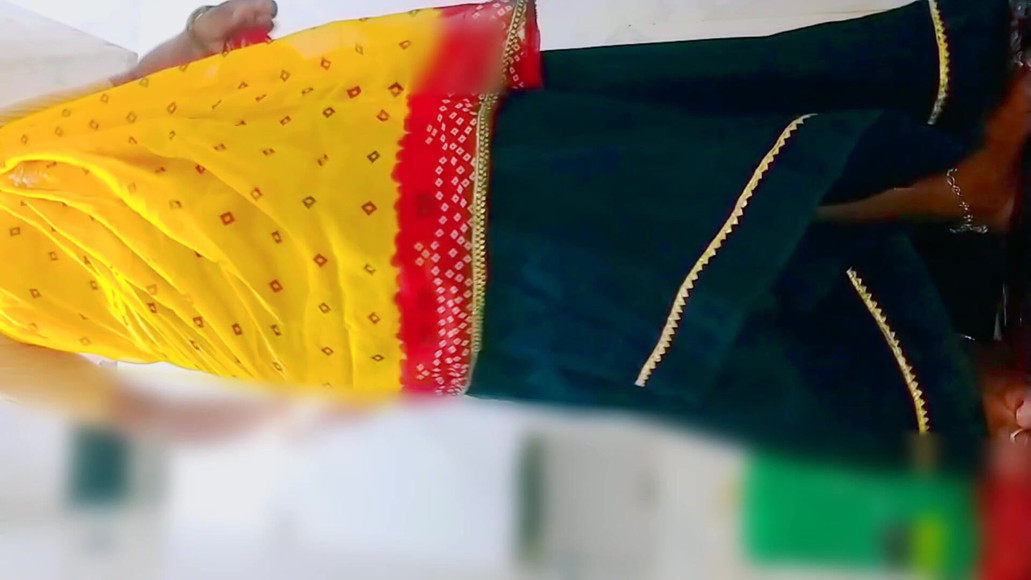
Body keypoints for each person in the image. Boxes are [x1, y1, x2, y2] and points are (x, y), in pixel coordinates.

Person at [0, 0, 1027, 463]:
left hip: (338, 138)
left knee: (640, 163)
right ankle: (949, 219)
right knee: (620, 267)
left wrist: (190, 44)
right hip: (327, 282)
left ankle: (949, 173)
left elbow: (102, 121)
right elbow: (86, 396)